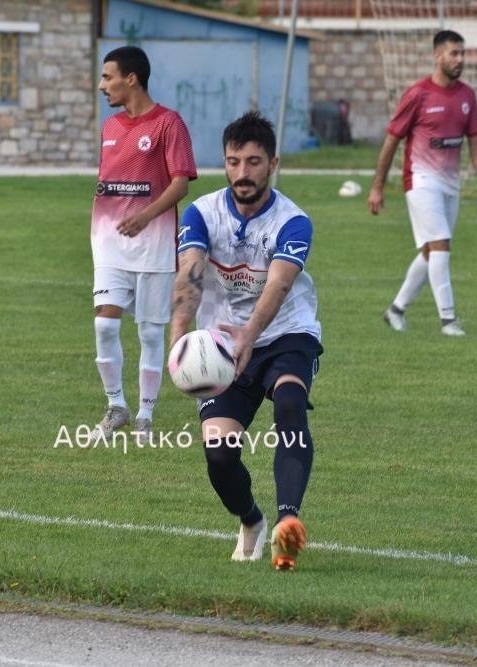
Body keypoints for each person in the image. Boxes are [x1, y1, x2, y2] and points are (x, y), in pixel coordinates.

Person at [170, 111, 322, 571]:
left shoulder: (293, 221)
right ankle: (251, 521)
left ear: (272, 163)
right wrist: (180, 340)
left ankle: (287, 523)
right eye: (233, 162)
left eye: (253, 162)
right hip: (220, 344)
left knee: (290, 402)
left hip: (283, 333)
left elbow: (278, 285)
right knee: (219, 458)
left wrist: (250, 336)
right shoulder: (201, 213)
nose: (242, 173)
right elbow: (191, 274)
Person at [91, 46, 197, 443]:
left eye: (107, 77)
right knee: (104, 322)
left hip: (152, 242)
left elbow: (181, 182)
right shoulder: (110, 127)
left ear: (130, 78)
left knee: (151, 333)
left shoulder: (169, 123)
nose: (103, 86)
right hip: (108, 242)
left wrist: (146, 215)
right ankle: (116, 404)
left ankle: (145, 415)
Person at [367, 29, 477, 336]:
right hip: (420, 179)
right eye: (454, 53)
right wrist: (377, 186)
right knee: (441, 245)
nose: (460, 59)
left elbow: (475, 140)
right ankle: (448, 320)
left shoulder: (467, 95)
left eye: (463, 53)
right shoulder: (418, 94)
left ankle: (395, 310)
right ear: (438, 56)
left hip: (451, 183)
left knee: (430, 251)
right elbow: (391, 141)